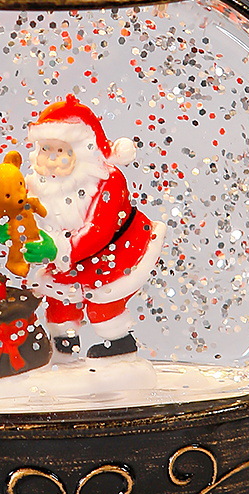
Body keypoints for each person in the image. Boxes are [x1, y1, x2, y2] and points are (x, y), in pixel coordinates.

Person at [21, 95, 165, 358]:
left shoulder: (105, 180)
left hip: (117, 249)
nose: (51, 158)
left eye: (61, 151)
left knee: (103, 301)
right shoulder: (37, 185)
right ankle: (63, 347)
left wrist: (55, 248)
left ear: (83, 149)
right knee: (60, 299)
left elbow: (99, 231)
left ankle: (119, 344)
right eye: (46, 149)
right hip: (68, 258)